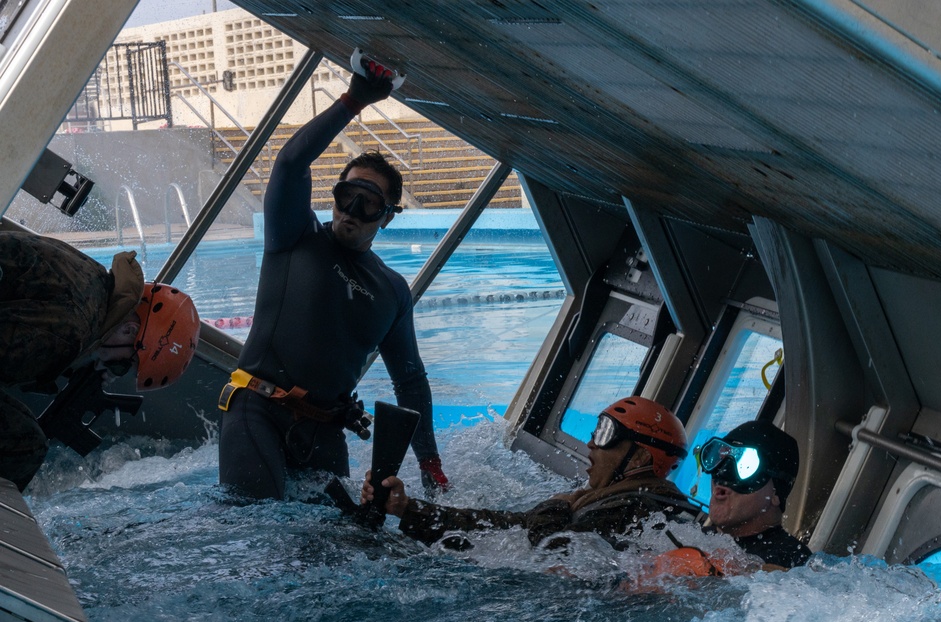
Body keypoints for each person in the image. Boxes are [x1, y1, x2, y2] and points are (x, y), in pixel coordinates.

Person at [217, 56, 449, 500]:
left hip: (324, 430)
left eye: (368, 204)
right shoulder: (295, 235)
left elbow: (411, 381)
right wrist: (352, 100)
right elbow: (288, 164)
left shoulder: (392, 291)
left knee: (344, 542)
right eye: (346, 196)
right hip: (256, 409)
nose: (351, 213)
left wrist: (430, 464)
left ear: (386, 217)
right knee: (253, 521)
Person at [0, 230, 201, 491]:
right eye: (123, 364)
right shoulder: (70, 330)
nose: (113, 374)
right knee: (24, 444)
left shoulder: (94, 280)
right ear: (129, 331)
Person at [361, 397, 700, 550]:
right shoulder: (604, 501)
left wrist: (556, 506)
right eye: (595, 430)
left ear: (640, 454)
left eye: (605, 434)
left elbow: (557, 556)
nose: (591, 444)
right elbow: (502, 526)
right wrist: (407, 509)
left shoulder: (641, 509)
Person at [634, 420, 811, 583]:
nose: (720, 477)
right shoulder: (687, 535)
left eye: (746, 467)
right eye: (717, 458)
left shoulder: (793, 565)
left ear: (776, 494)